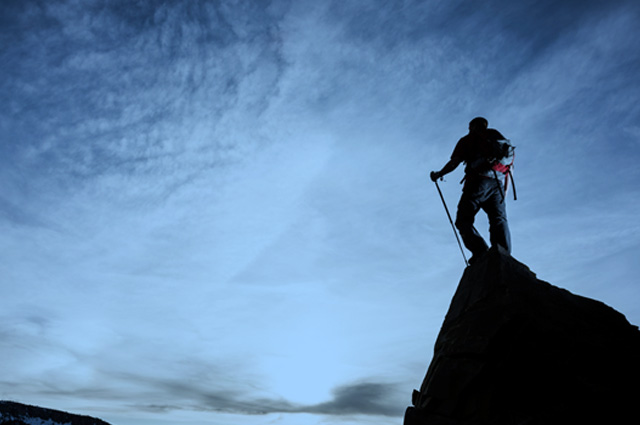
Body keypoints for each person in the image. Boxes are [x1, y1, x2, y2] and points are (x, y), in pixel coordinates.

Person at [430, 117, 513, 264]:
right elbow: (508, 165)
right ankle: (503, 253)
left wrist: (439, 174)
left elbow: (454, 162)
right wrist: (504, 192)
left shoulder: (467, 140)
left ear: (472, 126)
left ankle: (481, 251)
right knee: (498, 219)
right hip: (498, 184)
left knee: (463, 220)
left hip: (477, 182)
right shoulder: (496, 136)